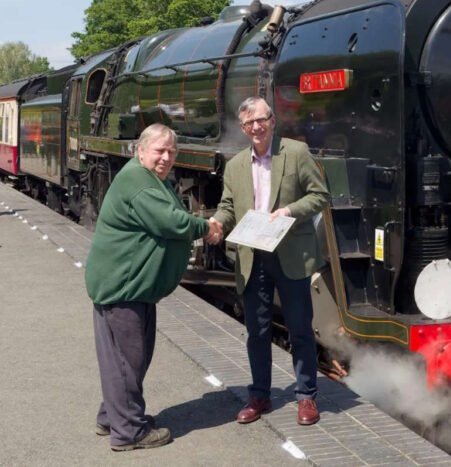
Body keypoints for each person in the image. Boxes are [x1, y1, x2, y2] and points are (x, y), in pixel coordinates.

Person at [85, 123, 222, 451]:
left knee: (126, 357)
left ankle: (112, 416)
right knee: (128, 359)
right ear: (140, 150)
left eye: (171, 152)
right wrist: (207, 227)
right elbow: (171, 221)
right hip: (124, 287)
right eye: (159, 150)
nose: (166, 157)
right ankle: (128, 432)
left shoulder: (148, 178)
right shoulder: (138, 182)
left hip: (131, 286)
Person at [212, 97, 329, 426]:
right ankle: (259, 395)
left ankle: (306, 396)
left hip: (291, 253)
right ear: (244, 128)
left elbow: (320, 195)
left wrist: (290, 211)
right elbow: (228, 206)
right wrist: (218, 223)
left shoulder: (295, 152)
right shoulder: (235, 165)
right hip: (253, 256)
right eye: (249, 124)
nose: (256, 127)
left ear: (273, 120)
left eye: (261, 120)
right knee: (257, 331)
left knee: (300, 329)